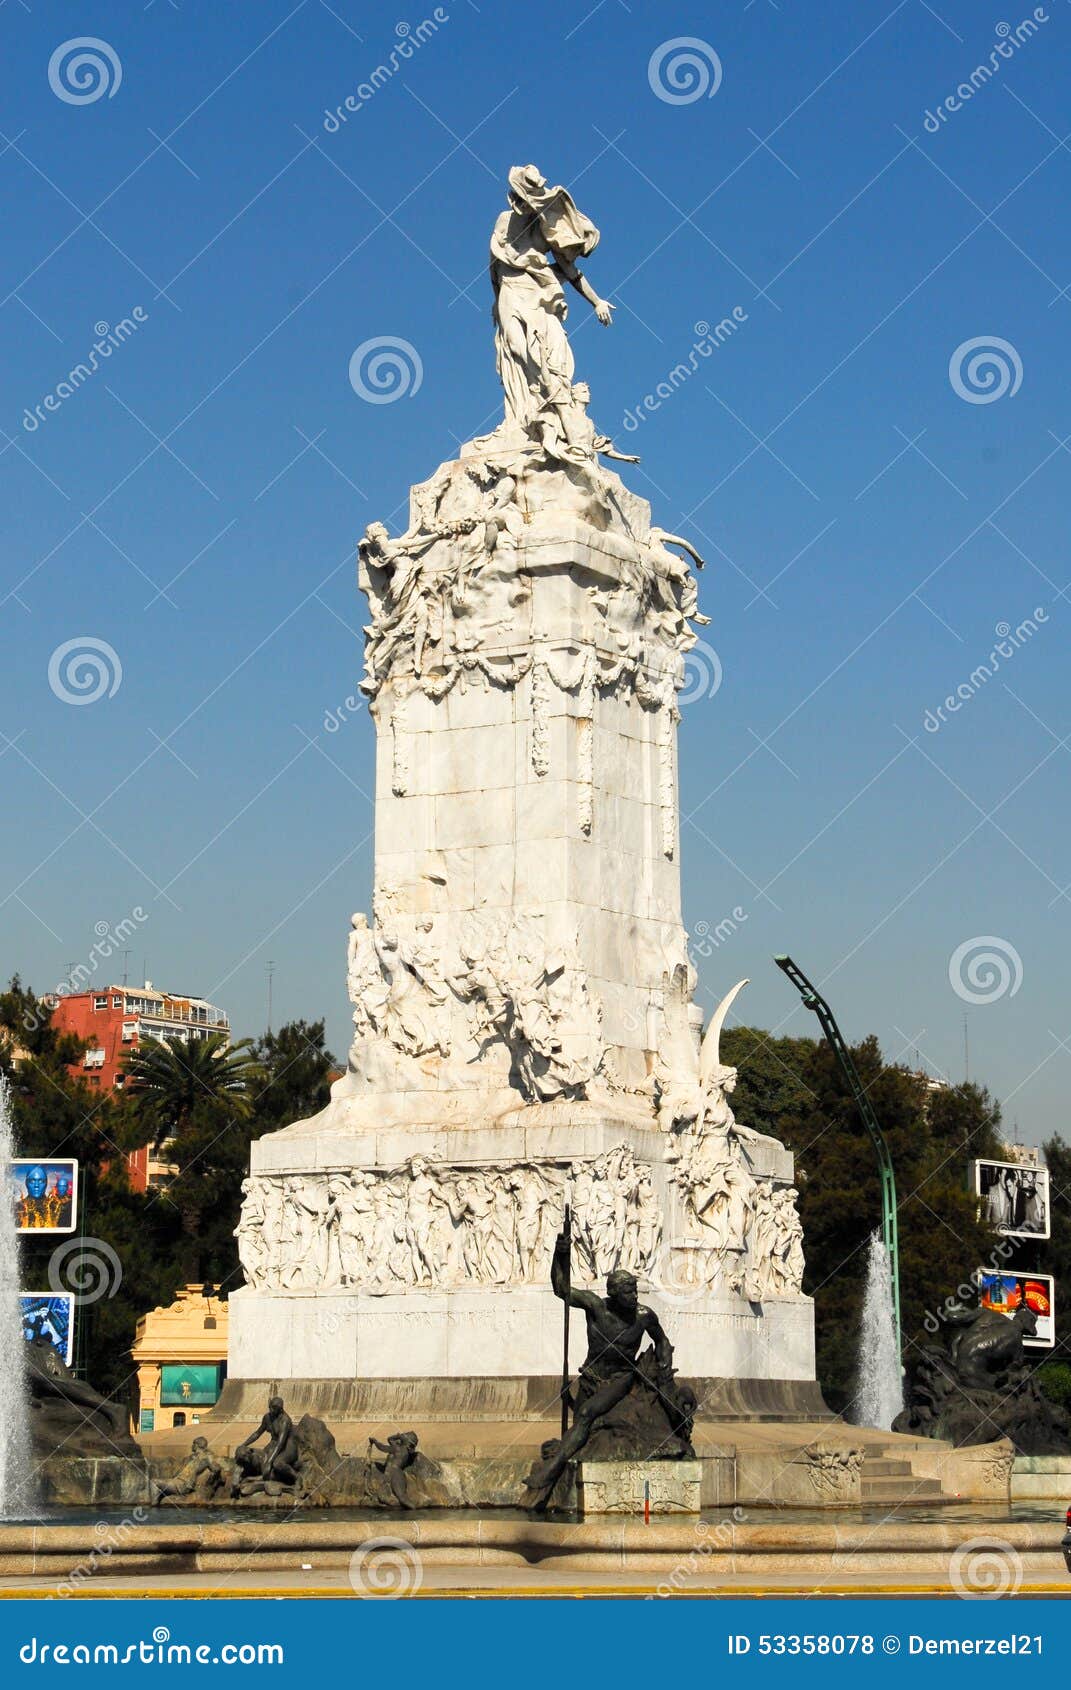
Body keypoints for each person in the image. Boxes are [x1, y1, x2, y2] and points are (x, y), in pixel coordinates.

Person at [525, 1229, 679, 1511]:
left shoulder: (644, 1316)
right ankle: (556, 1491)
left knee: (585, 1415)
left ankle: (549, 1471)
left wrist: (663, 1367)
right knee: (583, 1431)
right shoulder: (596, 1307)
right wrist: (561, 1254)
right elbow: (562, 1289)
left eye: (635, 1289)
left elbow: (662, 1341)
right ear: (613, 1293)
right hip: (591, 1378)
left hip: (621, 1378)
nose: (634, 1296)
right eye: (627, 1291)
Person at [235, 1396, 300, 1487]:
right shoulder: (267, 1417)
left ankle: (296, 1478)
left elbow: (280, 1444)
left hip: (287, 1446)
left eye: (274, 1408)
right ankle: (253, 1476)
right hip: (273, 1444)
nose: (271, 1410)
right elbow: (257, 1433)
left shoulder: (285, 1421)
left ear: (280, 1409)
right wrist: (243, 1445)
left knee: (277, 1464)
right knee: (259, 1459)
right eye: (270, 1407)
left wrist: (270, 1461)